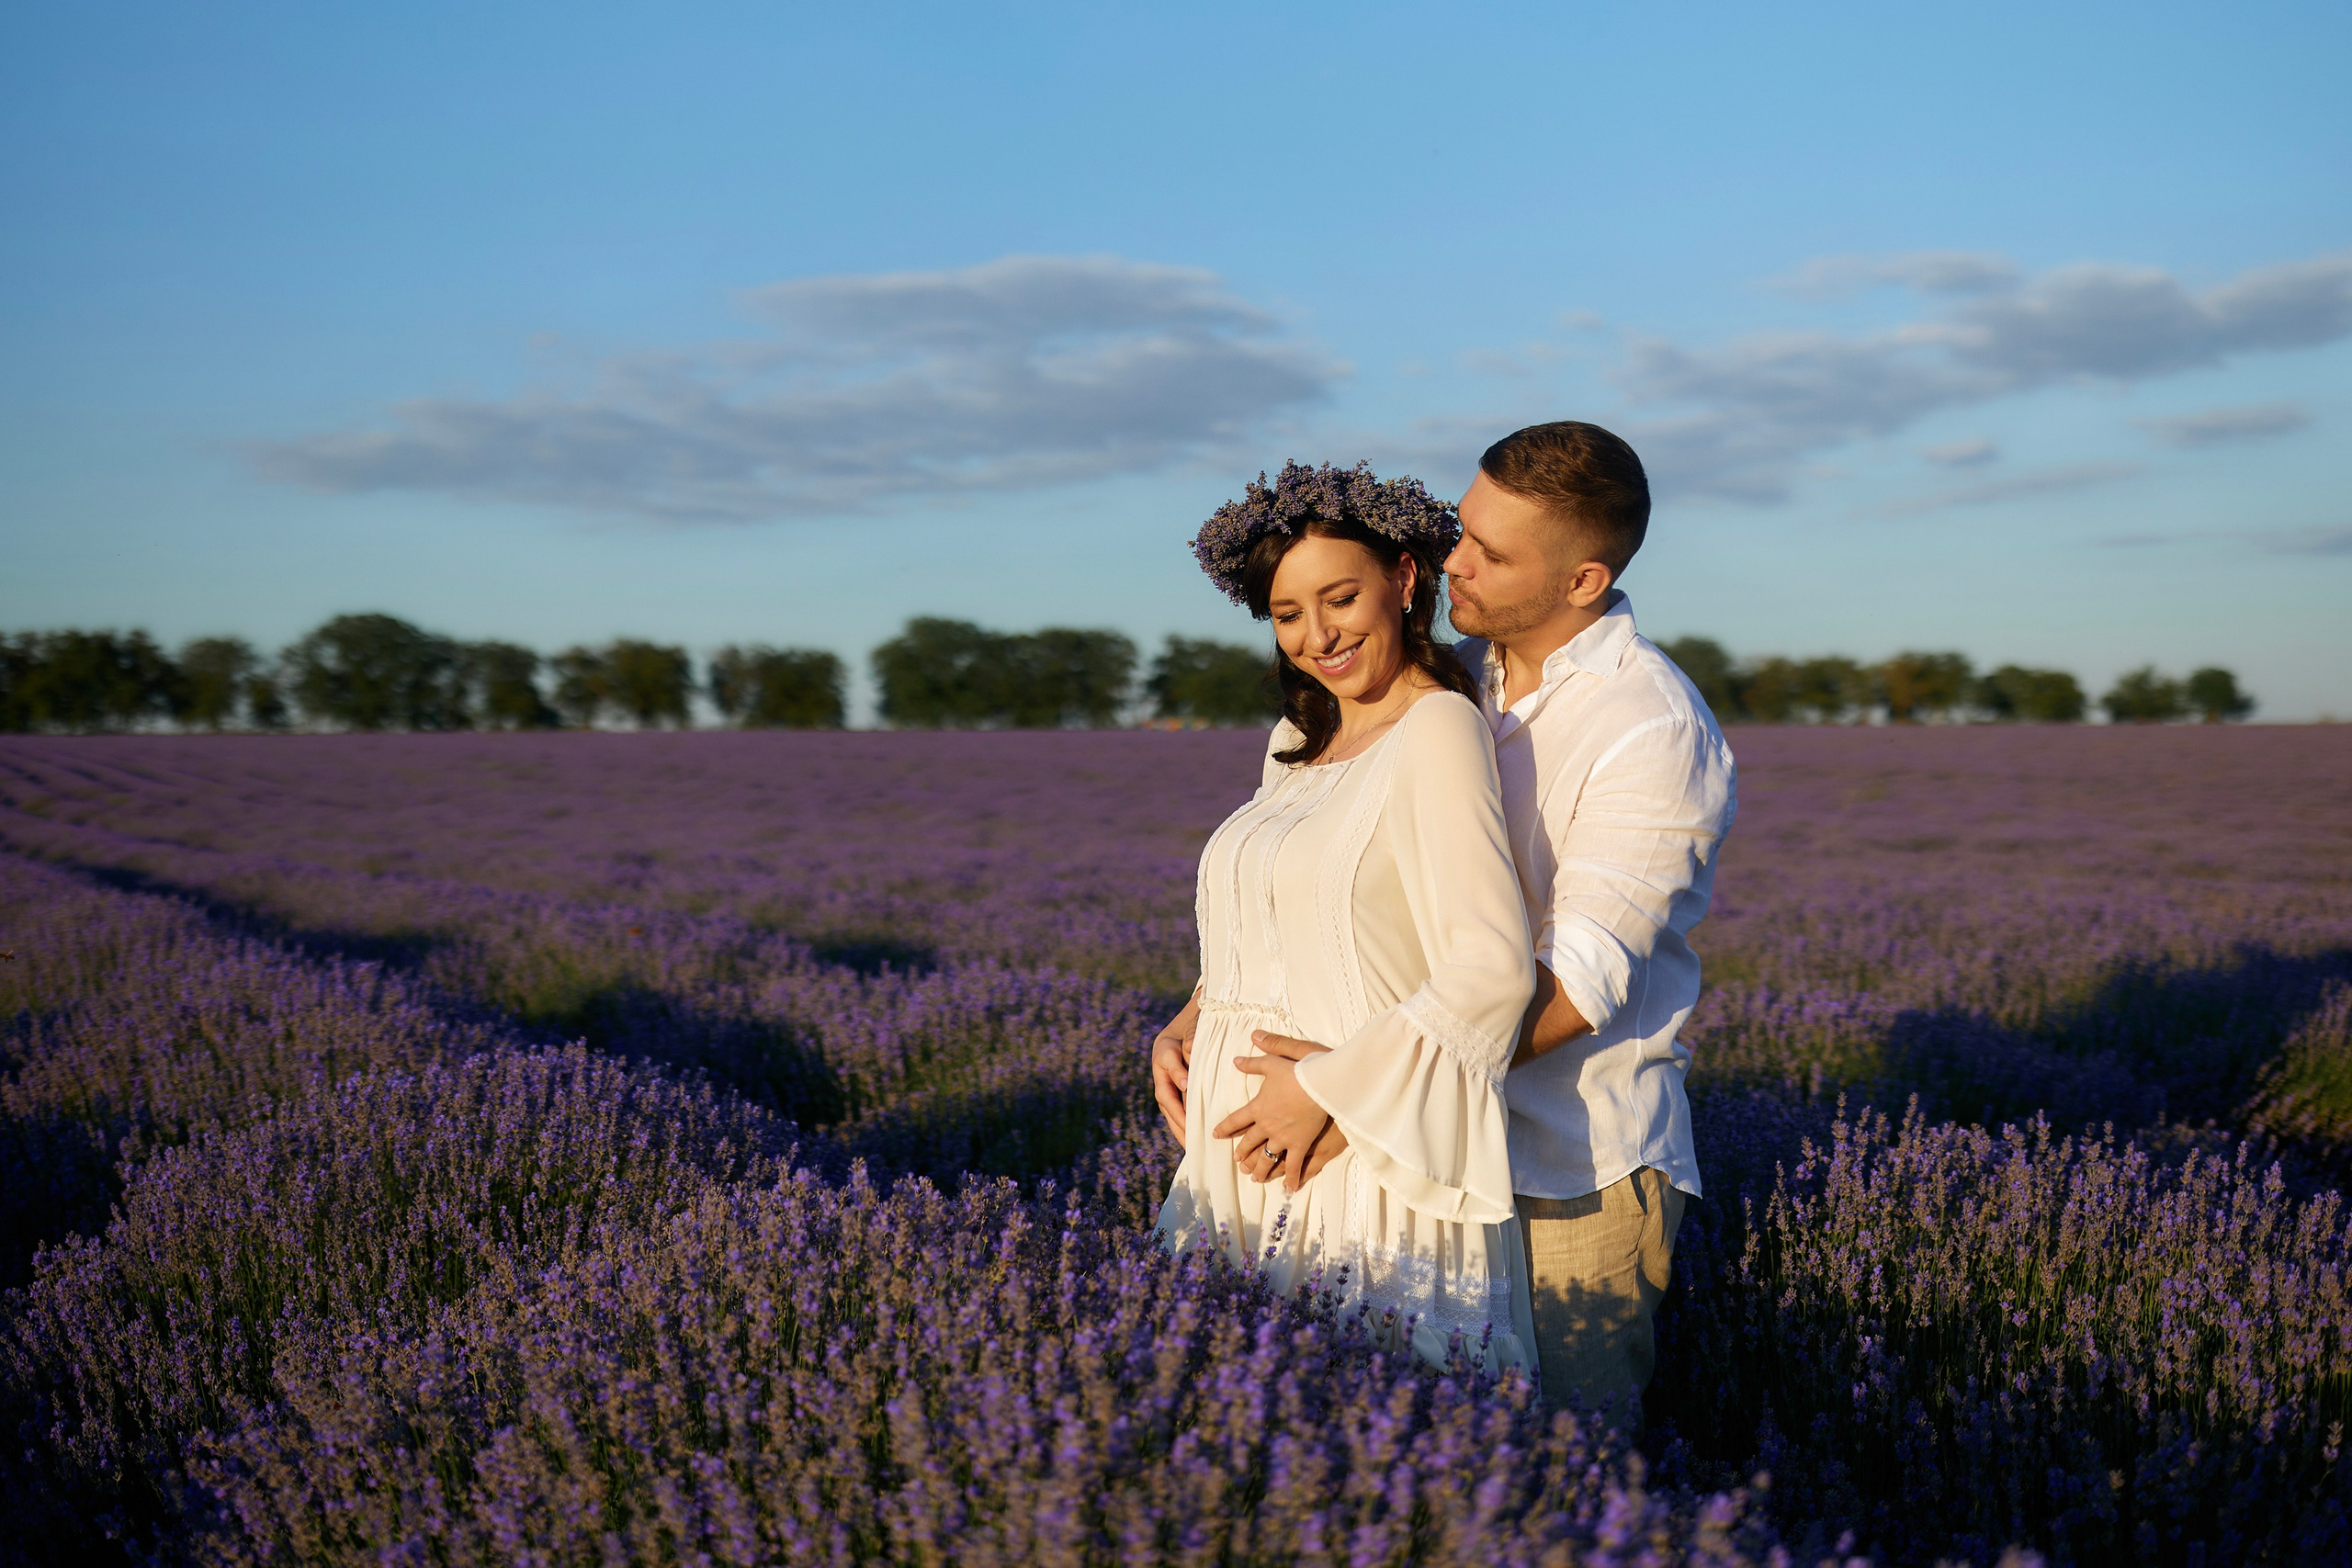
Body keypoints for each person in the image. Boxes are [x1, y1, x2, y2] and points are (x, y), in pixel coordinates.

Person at [1150, 461, 1539, 1371]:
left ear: (1404, 581)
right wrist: (1193, 1017)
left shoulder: (1437, 728)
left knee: (1373, 1425)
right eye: (1289, 614)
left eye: (1340, 598)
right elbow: (1288, 915)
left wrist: (1326, 1090)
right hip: (1242, 1135)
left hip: (1349, 1140)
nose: (1318, 635)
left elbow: (1492, 969)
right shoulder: (1296, 741)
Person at [1441, 420, 1736, 1428]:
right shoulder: (1451, 685)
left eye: (1490, 552)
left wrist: (1354, 1089)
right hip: (1430, 1152)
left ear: (1582, 580)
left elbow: (1577, 990)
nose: (1453, 561)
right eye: (1461, 530)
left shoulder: (1648, 726)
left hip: (1569, 1172)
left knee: (1566, 1481)